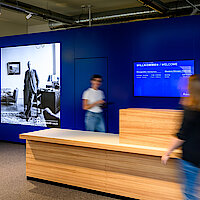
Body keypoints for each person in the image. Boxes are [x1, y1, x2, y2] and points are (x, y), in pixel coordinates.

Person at [161, 74, 200, 200]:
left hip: (191, 158)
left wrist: (167, 152)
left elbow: (181, 136)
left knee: (189, 193)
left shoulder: (190, 110)